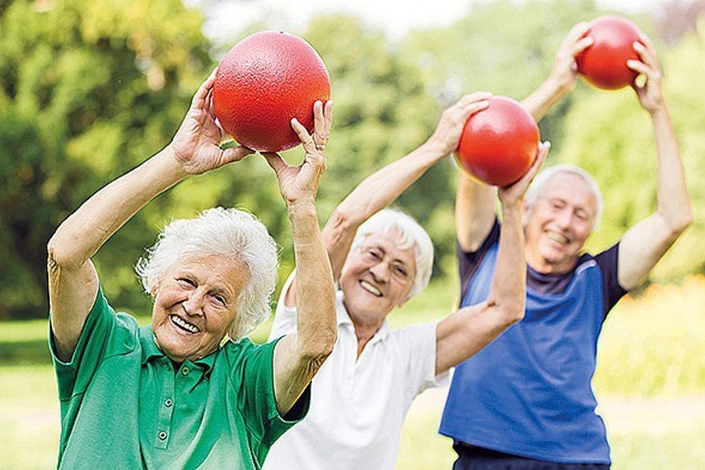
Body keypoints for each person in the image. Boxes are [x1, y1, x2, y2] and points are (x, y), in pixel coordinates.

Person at [46, 70, 338, 469]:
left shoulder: (245, 380)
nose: (194, 304)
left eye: (219, 297)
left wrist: (301, 206)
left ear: (238, 320)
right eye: (186, 281)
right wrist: (177, 161)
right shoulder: (104, 347)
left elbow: (315, 344)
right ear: (156, 280)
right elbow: (65, 255)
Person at [439, 22, 693, 468]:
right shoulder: (486, 249)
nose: (565, 222)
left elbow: (674, 218)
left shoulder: (596, 278)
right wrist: (558, 85)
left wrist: (656, 110)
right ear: (530, 206)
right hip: (485, 456)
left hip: (576, 457)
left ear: (590, 231)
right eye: (556, 205)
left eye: (581, 215)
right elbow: (481, 149)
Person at [262, 91, 550, 470]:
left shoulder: (406, 355)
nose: (381, 272)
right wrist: (436, 148)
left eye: (400, 271)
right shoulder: (303, 313)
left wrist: (512, 210)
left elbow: (505, 308)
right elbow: (348, 218)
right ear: (346, 261)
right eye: (374, 254)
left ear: (406, 297)